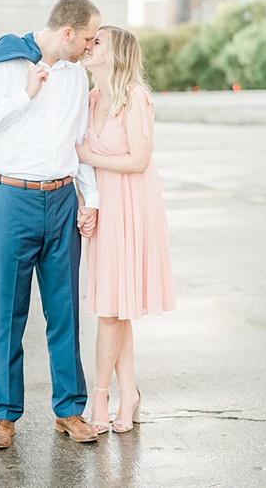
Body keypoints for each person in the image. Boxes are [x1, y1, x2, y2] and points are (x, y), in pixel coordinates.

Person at [0, 0, 102, 449]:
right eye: (88, 39)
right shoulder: (6, 62)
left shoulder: (78, 78)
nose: (90, 48)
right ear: (66, 33)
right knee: (8, 313)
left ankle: (70, 411)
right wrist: (25, 95)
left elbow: (78, 142)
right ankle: (4, 416)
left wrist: (90, 198)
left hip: (61, 200)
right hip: (11, 199)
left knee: (65, 313)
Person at [77, 25, 176, 434]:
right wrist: (87, 203)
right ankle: (130, 393)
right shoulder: (90, 99)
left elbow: (139, 160)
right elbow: (81, 165)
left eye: (96, 42)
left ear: (115, 54)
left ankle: (100, 396)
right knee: (116, 308)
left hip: (132, 206)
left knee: (110, 311)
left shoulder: (134, 97)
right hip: (103, 207)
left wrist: (88, 154)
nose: (88, 45)